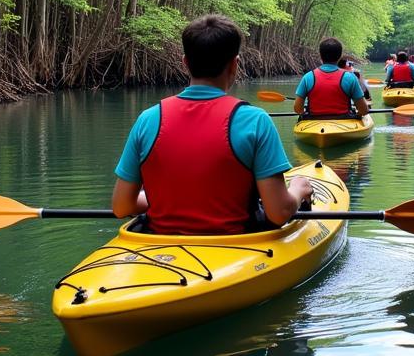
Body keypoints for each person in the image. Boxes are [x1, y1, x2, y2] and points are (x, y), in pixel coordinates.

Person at [111, 14, 313, 233]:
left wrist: (169, 202)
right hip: (235, 248)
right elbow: (279, 212)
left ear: (185, 63)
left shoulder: (148, 119)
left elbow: (122, 206)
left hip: (159, 247)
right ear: (235, 64)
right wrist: (298, 189)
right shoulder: (255, 120)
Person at [294, 37, 370, 119]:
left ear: (320, 55)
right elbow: (363, 110)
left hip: (314, 123)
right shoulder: (350, 78)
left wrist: (304, 112)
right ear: (340, 56)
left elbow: (298, 109)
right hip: (344, 123)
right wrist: (358, 114)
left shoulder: (308, 77)